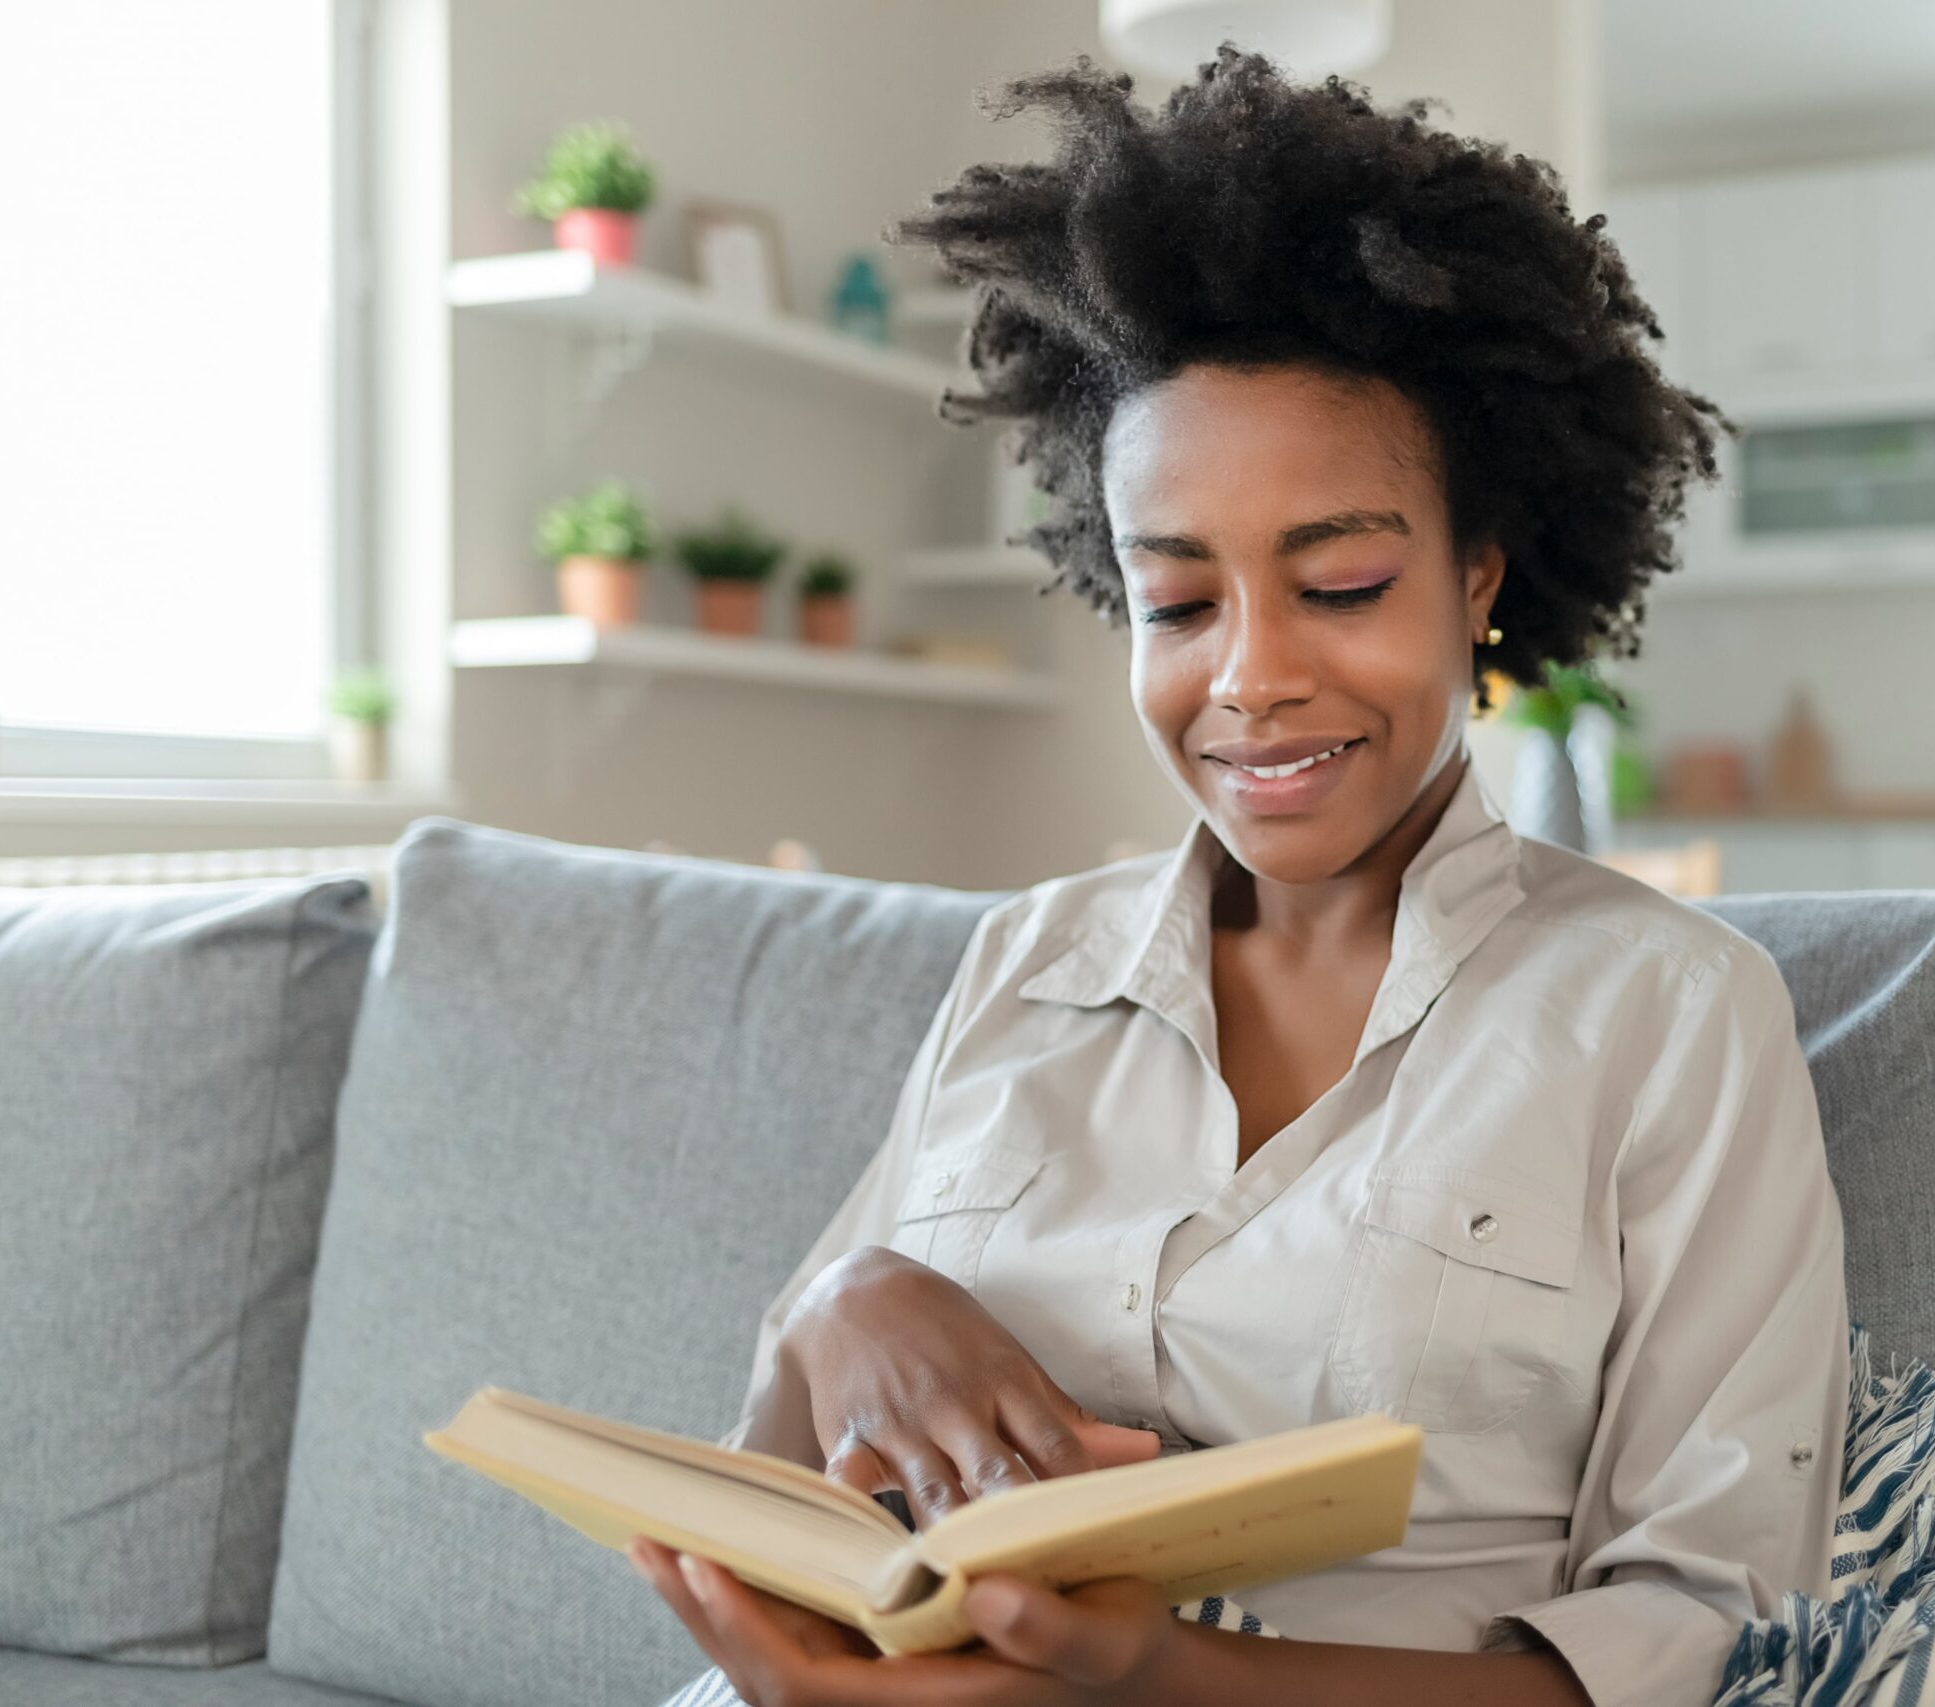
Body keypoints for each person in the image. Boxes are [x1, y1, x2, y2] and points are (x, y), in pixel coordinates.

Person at [630, 44, 1850, 1707]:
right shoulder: (1028, 964)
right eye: (1181, 603)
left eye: (1340, 583)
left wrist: (1158, 1671)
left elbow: (1703, 1640)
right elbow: (769, 1487)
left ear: (1479, 580)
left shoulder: (1668, 1014)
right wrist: (849, 1304)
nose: (1250, 680)